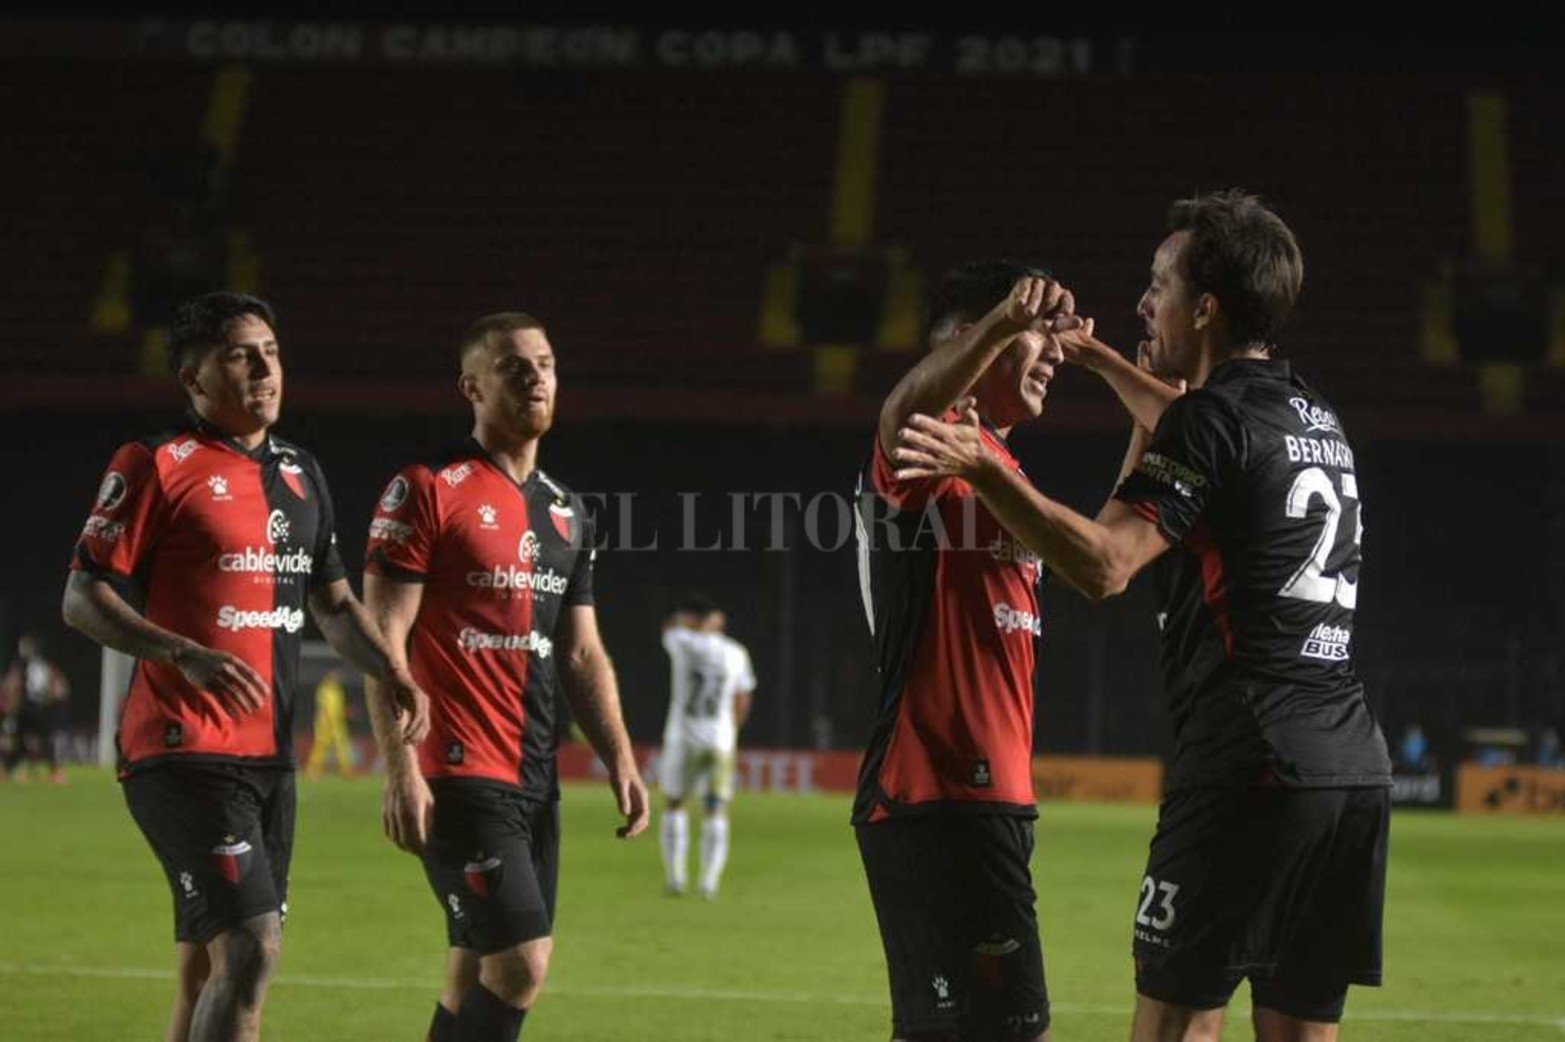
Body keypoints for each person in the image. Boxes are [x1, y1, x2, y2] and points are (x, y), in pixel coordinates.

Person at [893, 191, 1393, 1042]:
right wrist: (1096, 360)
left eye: (1158, 284)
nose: (1140, 302)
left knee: (1174, 1026)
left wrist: (984, 468)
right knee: (1301, 1032)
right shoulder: (1310, 415)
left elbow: (1106, 565)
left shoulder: (1209, 420)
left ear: (1204, 308)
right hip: (1349, 771)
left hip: (1246, 766)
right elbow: (1201, 430)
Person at [62, 291, 429, 1042]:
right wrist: (181, 651)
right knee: (251, 947)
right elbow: (81, 597)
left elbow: (334, 605)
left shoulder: (301, 474)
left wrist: (392, 669)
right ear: (192, 379)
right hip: (180, 748)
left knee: (210, 970)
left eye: (272, 353)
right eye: (241, 356)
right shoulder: (155, 464)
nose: (265, 369)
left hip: (269, 758)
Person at [362, 311, 649, 1042]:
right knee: (520, 964)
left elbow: (581, 653)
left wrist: (618, 755)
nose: (536, 379)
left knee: (471, 972)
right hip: (455, 767)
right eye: (514, 367)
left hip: (533, 774)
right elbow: (382, 642)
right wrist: (399, 769)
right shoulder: (426, 487)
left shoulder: (566, 512)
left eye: (545, 365)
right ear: (472, 387)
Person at [853, 261, 1083, 1042]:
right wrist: (1004, 321)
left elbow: (1102, 565)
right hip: (936, 786)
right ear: (970, 340)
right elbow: (904, 411)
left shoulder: (996, 467)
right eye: (1037, 338)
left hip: (989, 792)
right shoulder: (927, 450)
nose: (1053, 354)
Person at [657, 595, 756, 899]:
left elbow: (668, 628)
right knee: (716, 810)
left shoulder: (683, 641)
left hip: (682, 739)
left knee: (675, 803)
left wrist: (684, 621)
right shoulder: (736, 652)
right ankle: (709, 883)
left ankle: (675, 878)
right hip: (720, 741)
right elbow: (743, 699)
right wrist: (731, 731)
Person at [2, 633, 71, 782]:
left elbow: (14, 685)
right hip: (40, 708)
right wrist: (51, 701)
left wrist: (11, 706)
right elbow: (59, 687)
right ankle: (55, 772)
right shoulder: (45, 665)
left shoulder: (20, 665)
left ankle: (6, 771)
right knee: (44, 740)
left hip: (25, 708)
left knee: (18, 739)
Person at [304, 668, 356, 779]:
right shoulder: (323, 689)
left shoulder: (339, 691)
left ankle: (346, 771)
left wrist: (346, 712)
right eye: (334, 677)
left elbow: (339, 707)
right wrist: (323, 720)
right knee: (320, 748)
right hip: (325, 724)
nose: (336, 679)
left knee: (342, 747)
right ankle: (312, 771)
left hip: (338, 724)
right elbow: (321, 707)